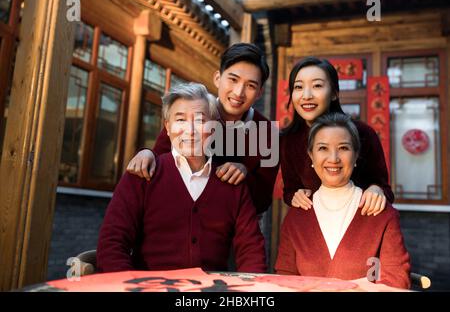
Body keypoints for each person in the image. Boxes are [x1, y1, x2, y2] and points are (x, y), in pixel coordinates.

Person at [97, 83, 266, 273]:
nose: (190, 130)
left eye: (200, 120)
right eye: (180, 120)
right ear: (167, 128)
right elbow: (111, 244)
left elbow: (252, 250)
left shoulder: (232, 183)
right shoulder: (142, 175)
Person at [126, 43, 279, 215]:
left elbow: (264, 200)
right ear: (217, 78)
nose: (238, 92)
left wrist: (244, 175)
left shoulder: (270, 134)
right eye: (233, 79)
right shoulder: (193, 111)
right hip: (178, 214)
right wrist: (147, 153)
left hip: (234, 226)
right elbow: (160, 157)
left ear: (259, 92)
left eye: (250, 85)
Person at [275, 113, 410, 289]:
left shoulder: (382, 214)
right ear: (311, 156)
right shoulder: (297, 216)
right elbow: (285, 280)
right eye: (323, 148)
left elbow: (396, 282)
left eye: (343, 148)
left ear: (356, 156)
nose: (333, 159)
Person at [281, 57, 394, 216]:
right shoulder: (288, 139)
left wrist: (377, 189)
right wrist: (295, 195)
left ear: (334, 93)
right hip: (315, 227)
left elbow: (384, 189)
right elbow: (290, 190)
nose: (306, 95)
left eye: (317, 85)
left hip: (359, 224)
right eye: (298, 87)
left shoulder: (363, 133)